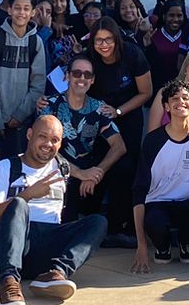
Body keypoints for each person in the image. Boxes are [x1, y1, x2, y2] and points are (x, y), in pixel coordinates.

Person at [0, 115, 109, 305]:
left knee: (98, 222)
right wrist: (27, 195)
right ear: (29, 135)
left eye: (54, 140)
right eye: (42, 137)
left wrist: (86, 175)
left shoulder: (62, 169)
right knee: (18, 204)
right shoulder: (5, 168)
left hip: (44, 246)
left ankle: (56, 273)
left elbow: (73, 169)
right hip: (7, 249)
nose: (48, 144)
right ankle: (9, 283)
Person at [131, 81, 189, 271]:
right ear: (166, 106)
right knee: (154, 222)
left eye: (186, 98)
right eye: (174, 99)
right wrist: (142, 244)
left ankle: (186, 243)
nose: (181, 102)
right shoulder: (153, 141)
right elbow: (139, 190)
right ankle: (162, 247)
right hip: (158, 203)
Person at [86, 21, 153, 246]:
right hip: (98, 119)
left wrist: (118, 111)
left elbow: (146, 92)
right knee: (98, 165)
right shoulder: (89, 57)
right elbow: (72, 80)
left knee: (125, 169)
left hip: (128, 115)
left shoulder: (132, 54)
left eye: (108, 39)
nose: (103, 45)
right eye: (98, 40)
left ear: (116, 39)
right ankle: (94, 225)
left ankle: (122, 227)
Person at [40, 54, 127, 220]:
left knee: (122, 170)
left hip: (88, 169)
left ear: (92, 80)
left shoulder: (98, 107)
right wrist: (80, 173)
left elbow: (119, 146)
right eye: (77, 73)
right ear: (67, 76)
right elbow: (44, 149)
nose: (82, 78)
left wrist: (96, 174)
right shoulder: (49, 105)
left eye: (87, 75)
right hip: (56, 169)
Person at [0, 0, 49, 155]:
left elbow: (38, 84)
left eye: (26, 8)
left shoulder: (36, 42)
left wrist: (20, 115)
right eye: (17, 8)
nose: (21, 13)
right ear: (9, 10)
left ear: (33, 12)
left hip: (23, 122)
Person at [146, 0, 189, 89]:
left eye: (179, 15)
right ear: (164, 16)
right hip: (159, 88)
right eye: (171, 15)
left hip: (184, 88)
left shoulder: (188, 37)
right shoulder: (153, 36)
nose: (175, 19)